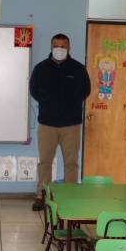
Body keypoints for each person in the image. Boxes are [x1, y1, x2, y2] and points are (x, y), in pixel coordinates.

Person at [29, 33, 91, 211]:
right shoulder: (41, 68)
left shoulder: (78, 69)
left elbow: (85, 90)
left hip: (71, 124)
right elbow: (34, 90)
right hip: (47, 124)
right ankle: (41, 196)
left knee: (71, 163)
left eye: (63, 46)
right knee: (45, 162)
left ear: (69, 48)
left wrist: (70, 103)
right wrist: (48, 102)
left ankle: (70, 196)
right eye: (56, 46)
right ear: (51, 47)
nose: (59, 49)